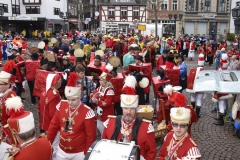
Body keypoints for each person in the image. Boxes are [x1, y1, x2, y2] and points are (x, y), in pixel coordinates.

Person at [102, 75, 156, 160]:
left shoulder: (147, 128)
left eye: (132, 109)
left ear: (136, 109)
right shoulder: (109, 123)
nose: (128, 112)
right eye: (126, 108)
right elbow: (104, 147)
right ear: (122, 108)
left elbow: (151, 152)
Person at [47, 72, 96, 160]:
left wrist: (86, 153)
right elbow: (53, 126)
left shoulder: (87, 112)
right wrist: (48, 143)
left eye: (73, 100)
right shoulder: (61, 106)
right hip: (61, 150)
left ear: (79, 97)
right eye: (68, 99)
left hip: (79, 153)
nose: (70, 102)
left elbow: (91, 136)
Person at [90, 63, 115, 135]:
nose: (99, 81)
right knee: (100, 127)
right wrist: (92, 96)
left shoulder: (110, 90)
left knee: (106, 130)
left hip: (107, 113)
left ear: (105, 81)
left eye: (101, 80)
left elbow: (108, 103)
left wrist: (97, 101)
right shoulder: (101, 87)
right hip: (100, 112)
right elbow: (94, 93)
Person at [186, 54, 205, 118]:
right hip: (201, 88)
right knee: (199, 100)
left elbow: (189, 78)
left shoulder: (193, 70)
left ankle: (192, 112)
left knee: (192, 99)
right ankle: (197, 114)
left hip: (193, 88)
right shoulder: (205, 71)